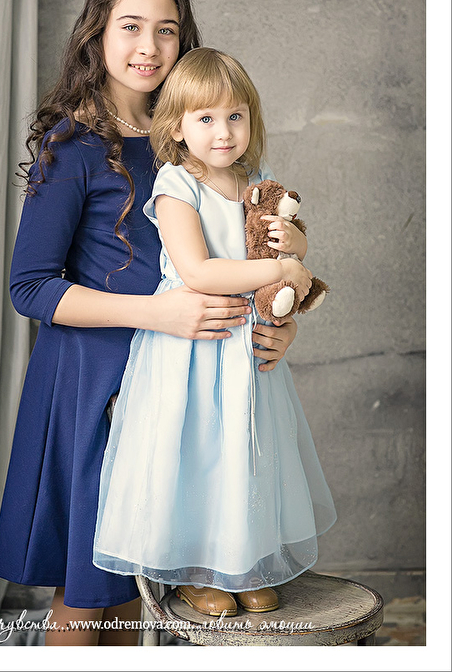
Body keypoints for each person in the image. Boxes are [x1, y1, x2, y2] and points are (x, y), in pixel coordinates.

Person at [0, 0, 299, 646]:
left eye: (167, 30)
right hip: (98, 385)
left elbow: (242, 252)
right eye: (131, 26)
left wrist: (275, 327)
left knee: (137, 590)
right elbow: (29, 287)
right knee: (90, 590)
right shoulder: (73, 147)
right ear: (96, 34)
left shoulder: (198, 138)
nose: (149, 47)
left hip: (185, 385)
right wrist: (158, 314)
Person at [93, 48, 337, 619]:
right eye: (205, 118)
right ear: (177, 127)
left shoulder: (259, 182)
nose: (223, 131)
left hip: (247, 349)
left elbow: (289, 243)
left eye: (235, 116)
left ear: (251, 119)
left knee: (247, 456)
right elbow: (199, 271)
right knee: (199, 455)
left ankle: (244, 564)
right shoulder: (177, 185)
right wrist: (280, 271)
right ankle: (196, 572)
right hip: (194, 347)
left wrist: (294, 247)